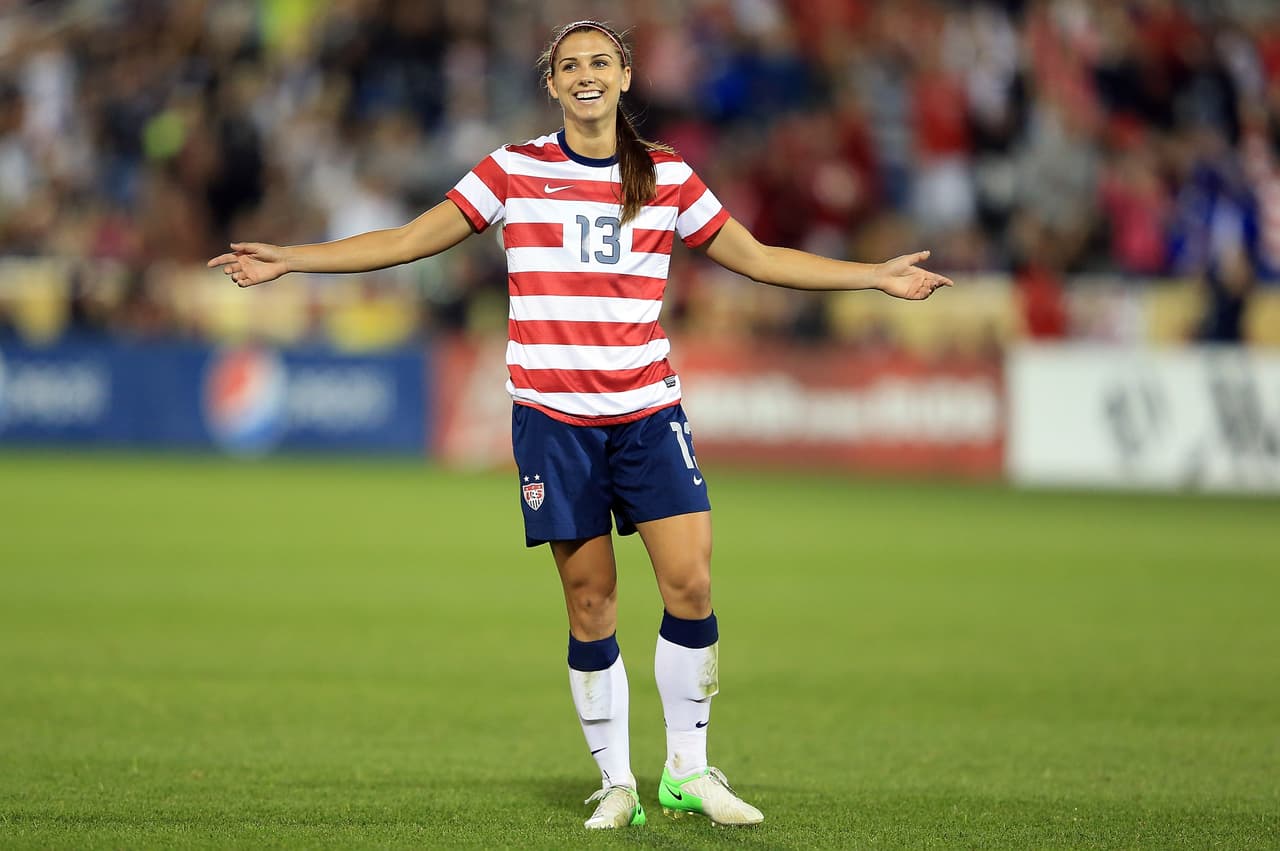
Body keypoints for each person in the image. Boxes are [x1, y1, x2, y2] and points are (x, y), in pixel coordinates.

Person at [209, 19, 953, 830]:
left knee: (692, 582)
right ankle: (616, 781)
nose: (587, 74)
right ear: (553, 85)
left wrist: (874, 276)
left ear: (627, 76)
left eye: (601, 61)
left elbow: (762, 257)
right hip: (554, 419)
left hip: (645, 408)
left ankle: (687, 770)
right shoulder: (514, 170)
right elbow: (407, 240)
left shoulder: (666, 175)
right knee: (591, 603)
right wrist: (294, 259)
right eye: (571, 65)